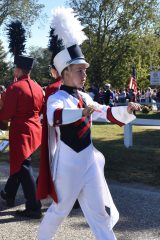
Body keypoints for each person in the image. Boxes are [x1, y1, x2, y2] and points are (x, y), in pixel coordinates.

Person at [37, 7, 141, 240]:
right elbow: (55, 118)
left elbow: (105, 111)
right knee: (59, 210)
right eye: (79, 70)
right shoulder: (56, 98)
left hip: (89, 162)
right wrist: (81, 113)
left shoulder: (85, 97)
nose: (84, 75)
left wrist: (127, 109)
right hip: (68, 164)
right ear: (64, 73)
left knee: (99, 215)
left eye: (85, 70)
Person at [0, 21, 44, 219]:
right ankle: (9, 193)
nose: (13, 71)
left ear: (19, 69)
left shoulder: (14, 88)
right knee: (22, 163)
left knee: (24, 167)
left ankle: (33, 206)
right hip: (36, 129)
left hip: (20, 130)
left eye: (14, 68)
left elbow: (5, 114)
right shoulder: (37, 87)